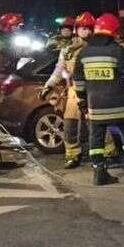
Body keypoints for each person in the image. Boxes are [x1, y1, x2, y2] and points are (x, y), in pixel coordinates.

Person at [73, 13, 124, 185]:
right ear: (113, 31)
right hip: (121, 105)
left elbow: (78, 81)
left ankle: (99, 172)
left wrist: (83, 102)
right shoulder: (118, 51)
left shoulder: (84, 53)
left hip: (96, 107)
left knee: (96, 140)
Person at [41, 12, 96, 169]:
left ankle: (104, 154)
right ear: (76, 30)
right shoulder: (67, 50)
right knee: (70, 124)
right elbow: (58, 71)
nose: (86, 32)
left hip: (92, 91)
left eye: (89, 28)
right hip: (73, 92)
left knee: (95, 126)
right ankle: (73, 155)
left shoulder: (97, 48)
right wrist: (48, 86)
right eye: (83, 28)